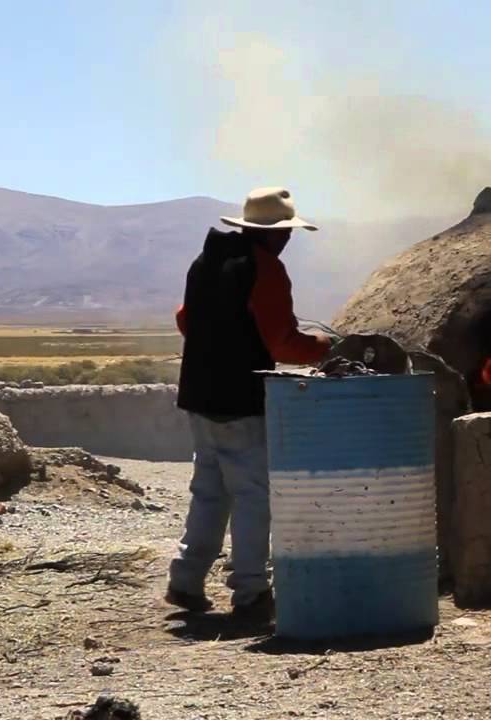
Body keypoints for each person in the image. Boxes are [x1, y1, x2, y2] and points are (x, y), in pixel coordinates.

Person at [166, 186, 331, 617]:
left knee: (209, 490)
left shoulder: (207, 260)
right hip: (241, 399)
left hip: (199, 394)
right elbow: (283, 343)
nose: (288, 239)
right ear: (274, 234)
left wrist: (218, 344)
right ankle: (252, 591)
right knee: (253, 495)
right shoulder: (266, 270)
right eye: (285, 232)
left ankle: (185, 581)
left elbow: (185, 319)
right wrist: (324, 346)